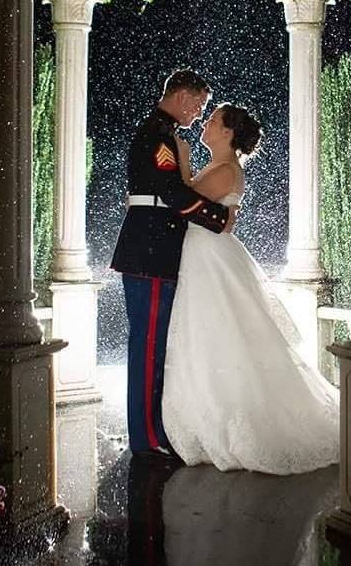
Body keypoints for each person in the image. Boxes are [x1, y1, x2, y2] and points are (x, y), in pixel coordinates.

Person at [162, 103, 340, 475]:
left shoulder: (226, 170)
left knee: (219, 334)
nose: (206, 124)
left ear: (227, 133)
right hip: (204, 255)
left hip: (210, 257)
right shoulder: (221, 168)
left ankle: (230, 424)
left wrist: (182, 157)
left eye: (212, 121)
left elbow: (183, 196)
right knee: (210, 335)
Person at [111, 69, 236, 456]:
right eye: (198, 104)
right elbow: (171, 192)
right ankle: (147, 439)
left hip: (155, 250)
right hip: (148, 251)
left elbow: (173, 192)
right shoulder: (158, 135)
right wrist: (218, 217)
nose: (199, 113)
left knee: (156, 348)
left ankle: (155, 432)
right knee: (148, 348)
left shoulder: (163, 134)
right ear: (182, 97)